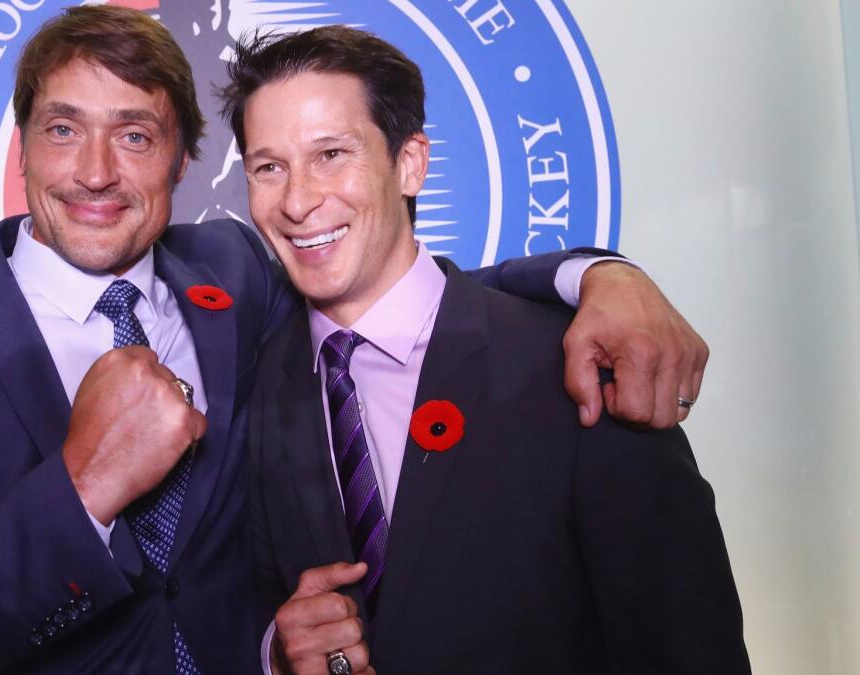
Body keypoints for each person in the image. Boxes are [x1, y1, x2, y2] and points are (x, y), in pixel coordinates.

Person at [0, 6, 710, 674]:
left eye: (136, 134)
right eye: (64, 129)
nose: (94, 172)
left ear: (182, 163)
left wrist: (596, 278)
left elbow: (403, 282)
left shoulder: (233, 275)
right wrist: (80, 493)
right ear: (24, 147)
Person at [225, 26, 750, 675]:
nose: (299, 200)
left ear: (410, 162)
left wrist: (602, 273)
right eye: (268, 167)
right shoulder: (262, 379)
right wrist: (277, 651)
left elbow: (688, 647)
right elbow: (241, 594)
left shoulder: (579, 362)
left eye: (332, 153)